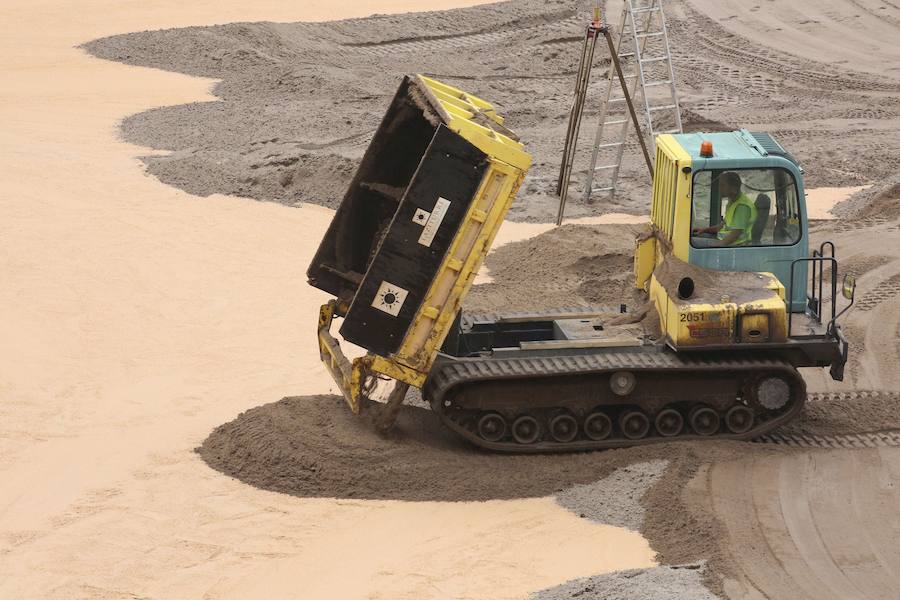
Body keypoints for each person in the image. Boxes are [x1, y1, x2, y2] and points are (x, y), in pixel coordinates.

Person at [692, 172, 758, 247]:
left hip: (733, 244)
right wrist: (704, 230)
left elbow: (736, 233)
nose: (719, 188)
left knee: (690, 242)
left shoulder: (742, 207)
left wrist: (718, 245)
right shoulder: (732, 201)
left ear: (734, 188)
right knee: (692, 236)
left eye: (722, 185)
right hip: (722, 239)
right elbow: (722, 225)